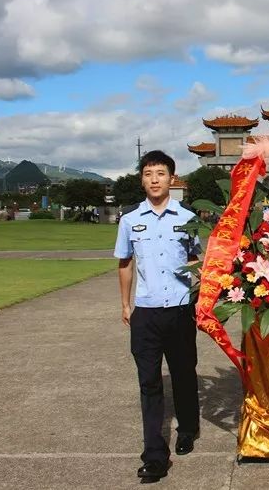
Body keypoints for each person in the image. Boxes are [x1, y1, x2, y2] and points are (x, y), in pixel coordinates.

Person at [114, 150, 202, 483]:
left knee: (183, 373)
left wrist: (207, 286)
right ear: (142, 179)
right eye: (148, 173)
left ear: (171, 178)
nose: (154, 179)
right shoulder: (129, 219)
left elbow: (195, 258)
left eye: (161, 173)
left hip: (180, 310)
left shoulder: (187, 217)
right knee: (149, 382)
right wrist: (125, 304)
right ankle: (154, 454)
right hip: (146, 313)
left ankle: (188, 429)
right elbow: (125, 263)